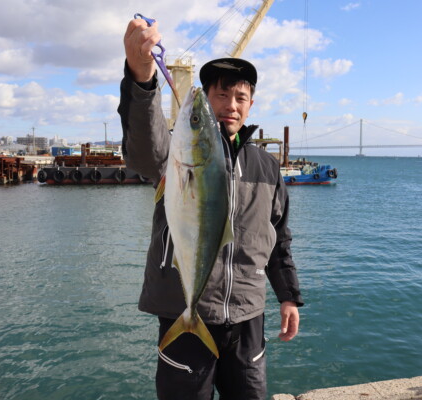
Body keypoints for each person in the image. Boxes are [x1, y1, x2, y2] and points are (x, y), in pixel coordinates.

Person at [118, 17, 304, 400]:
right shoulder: (176, 155)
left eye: (240, 98)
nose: (230, 106)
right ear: (204, 96)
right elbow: (143, 148)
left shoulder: (267, 167)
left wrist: (288, 295)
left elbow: (278, 239)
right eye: (220, 96)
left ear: (250, 104)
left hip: (247, 316)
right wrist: (141, 78)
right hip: (186, 311)